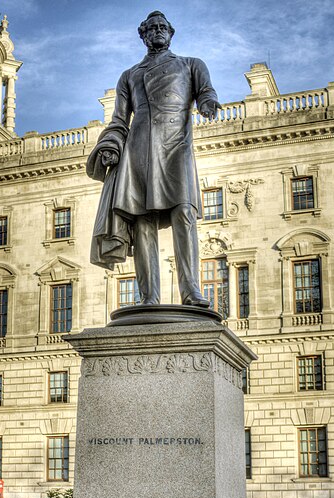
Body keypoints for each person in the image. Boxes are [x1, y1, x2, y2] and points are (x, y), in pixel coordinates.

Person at [86, 10, 221, 307]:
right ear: (143, 35)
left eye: (162, 27)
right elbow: (119, 120)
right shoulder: (130, 75)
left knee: (184, 213)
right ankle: (149, 296)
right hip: (139, 149)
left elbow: (205, 92)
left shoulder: (191, 65)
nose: (158, 31)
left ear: (171, 33)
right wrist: (110, 145)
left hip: (176, 146)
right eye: (151, 28)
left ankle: (191, 290)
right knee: (143, 222)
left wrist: (209, 102)